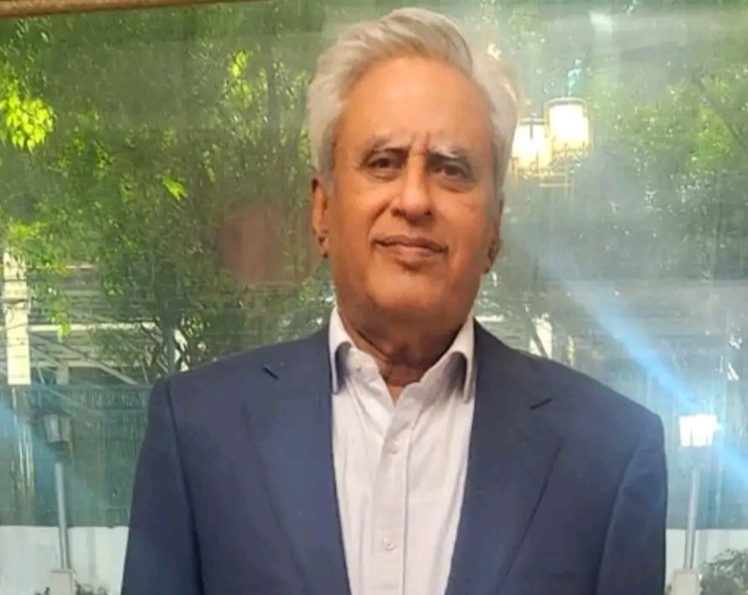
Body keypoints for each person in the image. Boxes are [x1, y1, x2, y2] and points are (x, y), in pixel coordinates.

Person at [121, 7, 667, 595]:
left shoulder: (608, 454)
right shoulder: (200, 430)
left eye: (451, 170)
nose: (414, 200)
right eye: (383, 162)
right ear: (322, 209)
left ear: (495, 228)